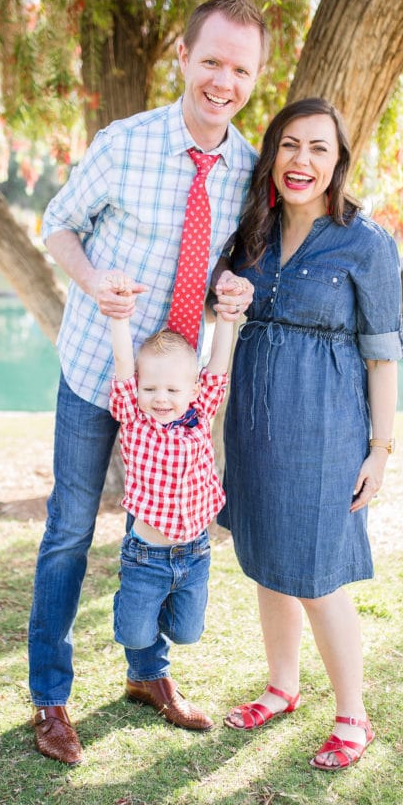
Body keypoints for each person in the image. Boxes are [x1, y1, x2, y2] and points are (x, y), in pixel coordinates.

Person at [29, 0, 269, 765]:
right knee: (70, 528)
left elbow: (233, 261)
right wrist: (93, 276)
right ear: (183, 59)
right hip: (98, 371)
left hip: (175, 396)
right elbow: (57, 222)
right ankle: (50, 697)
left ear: (253, 77)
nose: (222, 81)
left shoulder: (246, 170)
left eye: (239, 68)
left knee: (166, 524)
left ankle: (147, 676)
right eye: (211, 61)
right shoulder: (123, 143)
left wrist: (234, 287)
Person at [219, 97, 403, 771]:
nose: (301, 161)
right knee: (269, 565)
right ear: (272, 154)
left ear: (338, 162)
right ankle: (281, 687)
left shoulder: (365, 240)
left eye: (317, 148)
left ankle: (352, 714)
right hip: (252, 429)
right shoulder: (250, 235)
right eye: (289, 145)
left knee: (317, 575)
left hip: (325, 431)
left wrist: (378, 451)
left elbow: (382, 355)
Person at [100, 271, 248, 729]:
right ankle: (137, 608)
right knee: (133, 631)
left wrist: (227, 318)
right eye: (151, 389)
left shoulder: (201, 412)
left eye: (171, 390)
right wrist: (119, 319)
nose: (160, 399)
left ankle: (157, 606)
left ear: (192, 391)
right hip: (146, 554)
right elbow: (125, 366)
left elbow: (218, 367)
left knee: (188, 632)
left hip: (195, 553)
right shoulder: (135, 419)